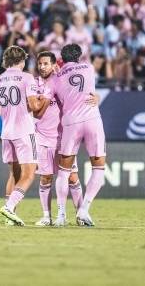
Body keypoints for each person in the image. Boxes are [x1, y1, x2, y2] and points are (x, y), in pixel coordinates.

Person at [32, 51, 95, 227]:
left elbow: (80, 96)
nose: (42, 67)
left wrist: (94, 98)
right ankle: (46, 216)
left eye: (45, 63)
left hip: (63, 136)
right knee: (45, 178)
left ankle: (80, 215)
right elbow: (33, 109)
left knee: (72, 177)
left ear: (54, 65)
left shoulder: (62, 81)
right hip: (43, 137)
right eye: (40, 64)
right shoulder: (33, 84)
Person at [47, 44, 106, 227]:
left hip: (71, 122)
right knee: (99, 168)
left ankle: (61, 216)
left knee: (64, 172)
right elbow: (91, 92)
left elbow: (55, 99)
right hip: (92, 119)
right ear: (79, 56)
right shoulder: (89, 68)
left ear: (61, 58)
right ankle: (84, 209)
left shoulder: (56, 79)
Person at [0, 46, 46, 226]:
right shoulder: (27, 78)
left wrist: (10, 111)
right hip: (24, 131)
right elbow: (34, 105)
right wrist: (44, 98)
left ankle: (10, 217)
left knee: (14, 174)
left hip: (7, 133)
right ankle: (9, 207)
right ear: (22, 61)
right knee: (29, 174)